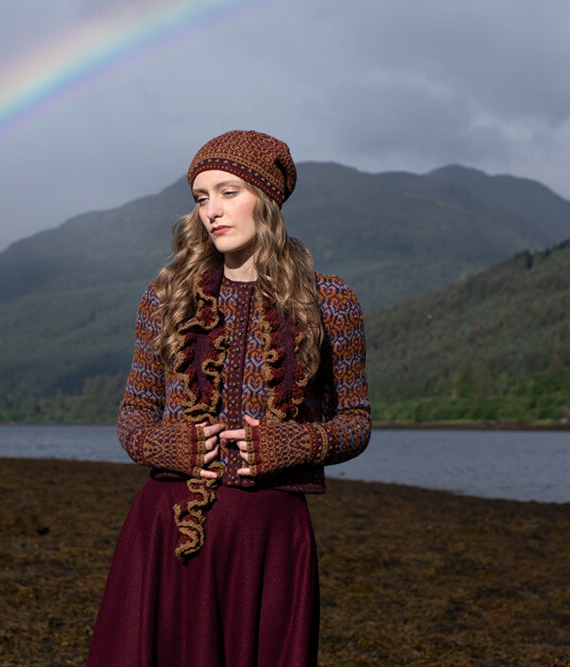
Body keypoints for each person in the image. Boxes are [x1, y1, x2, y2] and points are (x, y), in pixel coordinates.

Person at [87, 130, 372, 666]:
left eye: (228, 192)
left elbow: (356, 422)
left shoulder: (330, 303)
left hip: (268, 544)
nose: (211, 211)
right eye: (200, 198)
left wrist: (298, 443)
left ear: (266, 199)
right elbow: (132, 419)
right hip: (167, 533)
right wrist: (169, 447)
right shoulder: (166, 296)